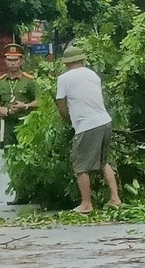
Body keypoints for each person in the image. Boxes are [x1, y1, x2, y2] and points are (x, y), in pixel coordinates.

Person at [56, 45, 122, 214]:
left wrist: (69, 121)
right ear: (82, 60)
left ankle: (86, 204)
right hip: (105, 121)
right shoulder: (93, 75)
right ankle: (115, 198)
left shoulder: (64, 79)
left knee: (81, 166)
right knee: (103, 162)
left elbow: (61, 106)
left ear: (66, 63)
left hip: (87, 125)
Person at [0, 43, 38, 149]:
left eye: (15, 60)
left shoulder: (29, 81)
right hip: (8, 123)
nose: (13, 63)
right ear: (5, 61)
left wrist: (25, 106)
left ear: (21, 61)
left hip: (25, 122)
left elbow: (38, 101)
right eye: (10, 60)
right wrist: (0, 109)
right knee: (9, 151)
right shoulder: (0, 82)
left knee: (26, 150)